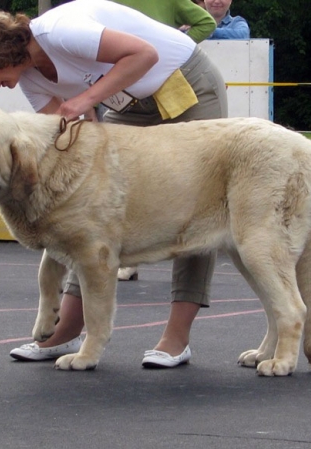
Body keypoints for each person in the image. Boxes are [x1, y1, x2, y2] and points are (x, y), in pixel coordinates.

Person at [0, 0, 228, 368]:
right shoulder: (28, 76)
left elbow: (144, 55)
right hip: (128, 103)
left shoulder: (59, 30)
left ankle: (175, 338)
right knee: (88, 215)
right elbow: (72, 137)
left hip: (183, 84)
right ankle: (64, 332)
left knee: (193, 206)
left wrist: (84, 100)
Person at [107, 0, 216, 282]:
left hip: (172, 89)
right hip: (126, 99)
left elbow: (207, 22)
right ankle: (122, 260)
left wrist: (177, 46)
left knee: (199, 187)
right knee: (108, 181)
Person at [111, 0, 216, 44]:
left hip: (112, 68)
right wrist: (176, 47)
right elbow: (207, 23)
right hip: (158, 69)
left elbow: (207, 23)